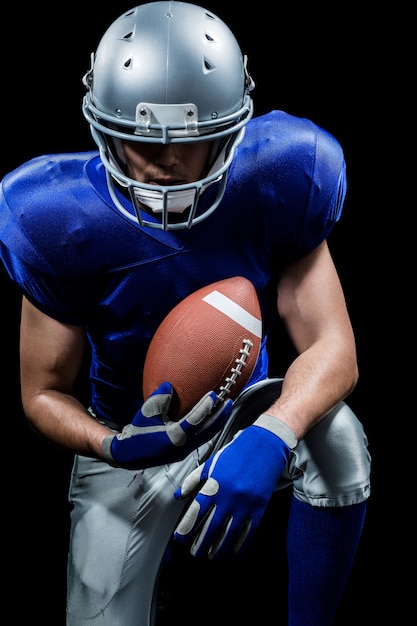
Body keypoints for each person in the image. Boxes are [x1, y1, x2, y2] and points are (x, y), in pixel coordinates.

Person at [0, 1, 371, 624]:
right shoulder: (53, 217)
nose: (166, 162)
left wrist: (273, 434)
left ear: (231, 131)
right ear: (101, 126)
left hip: (245, 416)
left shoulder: (284, 170)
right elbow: (41, 391)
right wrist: (113, 446)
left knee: (339, 439)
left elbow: (335, 346)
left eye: (192, 142)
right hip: (131, 432)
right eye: (140, 139)